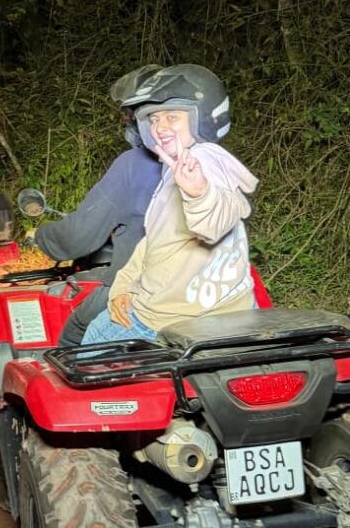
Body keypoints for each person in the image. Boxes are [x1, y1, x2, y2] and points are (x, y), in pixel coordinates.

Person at [81, 64, 258, 345]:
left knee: (90, 344)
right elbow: (154, 244)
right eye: (154, 119)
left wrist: (198, 193)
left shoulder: (207, 162)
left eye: (172, 117)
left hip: (170, 320)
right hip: (235, 313)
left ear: (202, 118)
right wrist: (122, 287)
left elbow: (214, 220)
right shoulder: (176, 169)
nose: (160, 127)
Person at [32, 66, 164, 347]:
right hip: (207, 290)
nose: (125, 122)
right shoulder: (211, 160)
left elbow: (77, 238)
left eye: (128, 114)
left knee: (73, 333)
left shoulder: (133, 165)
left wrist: (41, 236)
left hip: (142, 290)